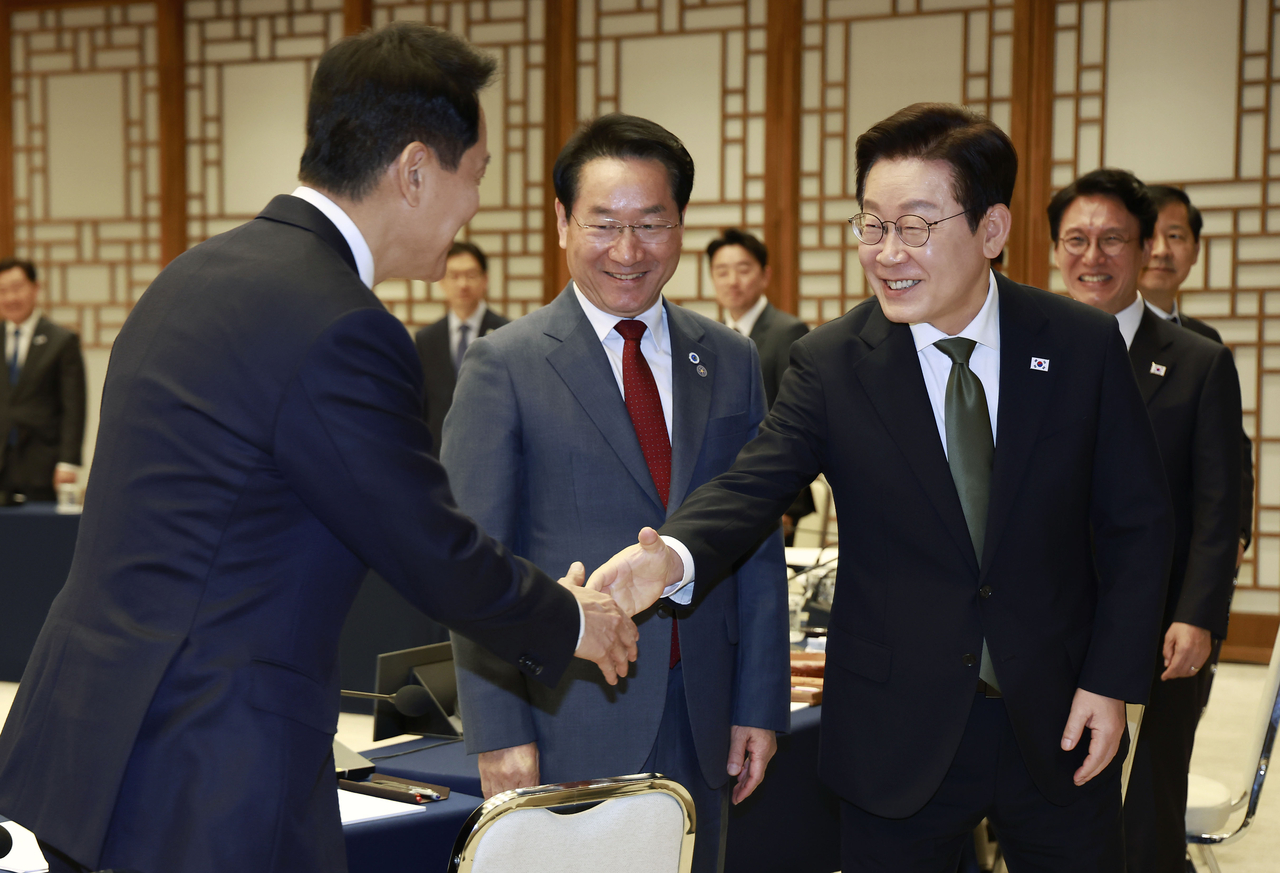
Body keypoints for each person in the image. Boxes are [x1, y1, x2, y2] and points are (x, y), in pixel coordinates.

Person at [0, 24, 638, 873]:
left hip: (86, 734)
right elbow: (427, 543)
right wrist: (571, 620)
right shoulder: (346, 327)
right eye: (476, 174)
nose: (477, 204)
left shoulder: (192, 272)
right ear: (415, 170)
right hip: (207, 760)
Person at [589, 103, 1174, 872]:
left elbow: (1137, 524)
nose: (887, 253)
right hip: (899, 728)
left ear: (992, 230)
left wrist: (1110, 680)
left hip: (1060, 713)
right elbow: (755, 482)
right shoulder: (831, 362)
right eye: (872, 224)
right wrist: (668, 556)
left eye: (916, 225)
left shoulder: (1078, 344)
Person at [443, 114, 789, 873]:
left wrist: (759, 703)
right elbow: (473, 563)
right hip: (566, 715)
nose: (628, 251)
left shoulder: (728, 359)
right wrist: (499, 731)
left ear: (680, 225)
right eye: (604, 223)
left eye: (650, 224)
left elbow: (756, 539)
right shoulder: (505, 365)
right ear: (563, 221)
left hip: (704, 716)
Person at [1049, 169, 1242, 873]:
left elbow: (1221, 504)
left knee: (1148, 806)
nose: (1092, 256)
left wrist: (1198, 612)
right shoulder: (1030, 354)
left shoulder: (1197, 362)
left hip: (1162, 626)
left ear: (1141, 247)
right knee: (1057, 793)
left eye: (1112, 239)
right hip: (1053, 622)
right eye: (1076, 239)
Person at [1140, 185, 1254, 568]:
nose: (1160, 251)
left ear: (1195, 251)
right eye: (1150, 236)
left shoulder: (1206, 344)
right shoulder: (1094, 337)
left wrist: (1235, 533)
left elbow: (1233, 449)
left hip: (1190, 558)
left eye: (1175, 236)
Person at [707, 228, 815, 544]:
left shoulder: (787, 331)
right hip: (728, 489)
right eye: (721, 272)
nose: (732, 281)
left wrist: (786, 505)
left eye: (743, 270)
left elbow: (796, 420)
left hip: (774, 493)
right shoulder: (715, 336)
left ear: (765, 275)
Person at [0, 258, 85, 503]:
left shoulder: (62, 341)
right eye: (3, 291)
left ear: (35, 288)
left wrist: (69, 461)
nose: (10, 298)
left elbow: (74, 407)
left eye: (17, 288)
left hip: (43, 465)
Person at [413, 239, 509, 456]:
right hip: (440, 454)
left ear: (485, 280)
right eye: (454, 276)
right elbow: (422, 405)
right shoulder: (426, 339)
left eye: (471, 275)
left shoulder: (507, 332)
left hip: (493, 450)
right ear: (441, 282)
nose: (463, 284)